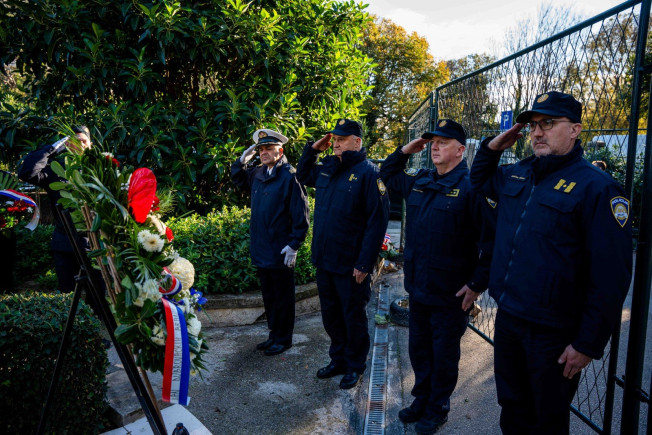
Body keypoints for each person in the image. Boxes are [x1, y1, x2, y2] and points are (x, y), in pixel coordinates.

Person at [470, 91, 633, 434]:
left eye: (548, 123)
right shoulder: (519, 173)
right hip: (510, 317)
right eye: (532, 126)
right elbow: (479, 181)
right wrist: (492, 147)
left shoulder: (598, 188)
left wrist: (587, 343)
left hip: (554, 332)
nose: (537, 132)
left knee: (546, 420)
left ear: (575, 130)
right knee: (512, 408)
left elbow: (611, 276)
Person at [380, 119, 496, 434]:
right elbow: (388, 173)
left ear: (460, 150)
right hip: (419, 288)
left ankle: (437, 408)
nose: (434, 147)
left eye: (442, 142)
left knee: (443, 355)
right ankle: (421, 400)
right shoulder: (421, 180)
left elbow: (491, 243)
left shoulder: (472, 187)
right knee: (419, 350)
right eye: (432, 142)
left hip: (451, 294)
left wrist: (476, 285)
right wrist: (407, 149)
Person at [296, 118, 389, 389]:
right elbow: (302, 174)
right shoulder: (328, 167)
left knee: (353, 317)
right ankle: (337, 359)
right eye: (334, 139)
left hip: (351, 265)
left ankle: (355, 365)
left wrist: (365, 263)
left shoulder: (369, 173)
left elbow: (376, 223)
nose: (336, 143)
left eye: (341, 139)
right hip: (325, 259)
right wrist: (313, 150)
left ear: (357, 142)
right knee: (331, 316)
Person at [231, 128, 310, 356]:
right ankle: (274, 334)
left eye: (268, 148)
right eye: (261, 150)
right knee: (269, 296)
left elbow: (301, 215)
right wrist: (241, 161)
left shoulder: (290, 176)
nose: (263, 152)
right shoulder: (258, 172)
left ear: (280, 151)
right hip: (262, 247)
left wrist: (294, 244)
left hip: (281, 248)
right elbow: (239, 180)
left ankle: (284, 339)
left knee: (283, 297)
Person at [18, 126, 93, 294]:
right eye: (75, 141)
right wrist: (51, 149)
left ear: (90, 144)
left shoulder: (99, 168)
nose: (80, 145)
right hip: (64, 243)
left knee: (98, 295)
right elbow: (27, 172)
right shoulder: (56, 168)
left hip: (93, 244)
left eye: (83, 141)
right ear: (67, 144)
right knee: (67, 294)